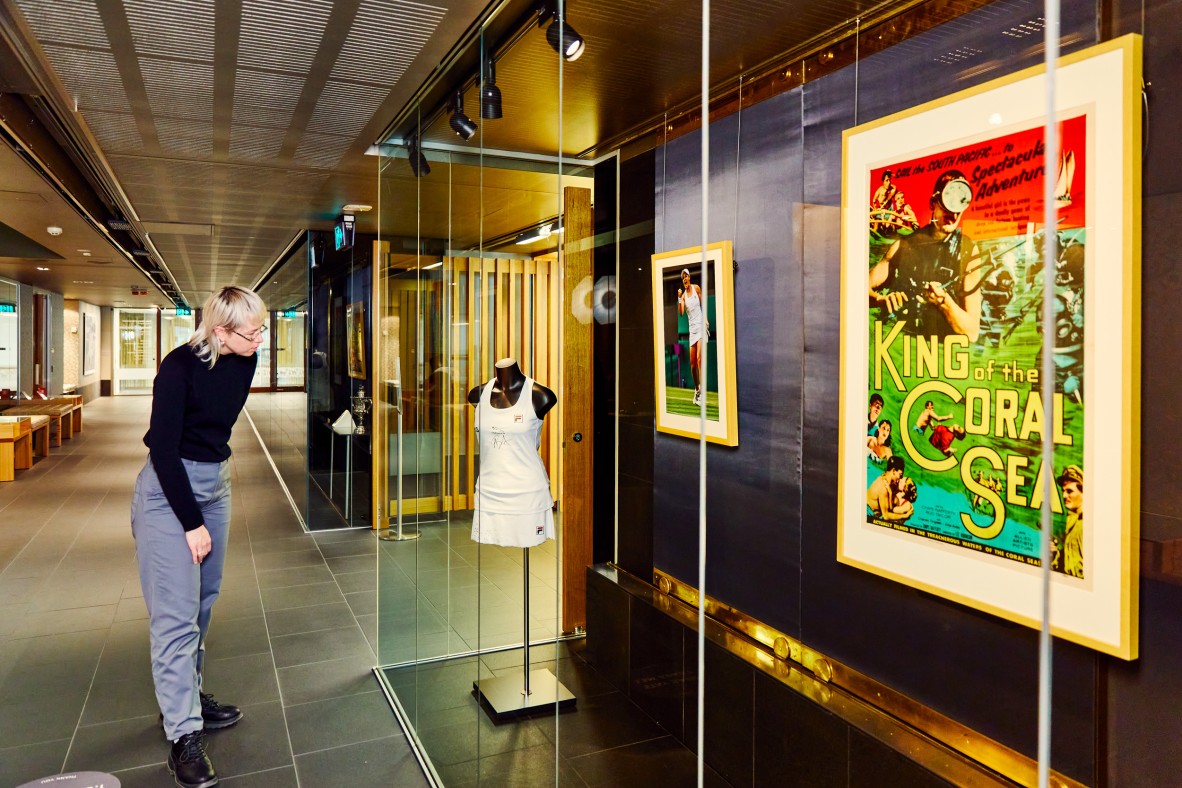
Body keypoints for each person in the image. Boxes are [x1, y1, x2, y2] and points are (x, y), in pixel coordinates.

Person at [132, 286, 266, 788]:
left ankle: (189, 696)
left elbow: (217, 432)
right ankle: (183, 736)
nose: (258, 340)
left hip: (216, 483)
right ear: (219, 331)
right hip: (169, 492)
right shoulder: (178, 368)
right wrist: (192, 524)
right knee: (174, 615)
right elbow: (164, 451)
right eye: (249, 332)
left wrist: (209, 506)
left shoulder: (245, 360)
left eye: (261, 330)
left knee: (203, 602)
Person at [868, 169, 984, 341]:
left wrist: (945, 303)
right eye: (947, 202)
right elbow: (859, 288)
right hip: (903, 345)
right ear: (933, 203)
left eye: (960, 202)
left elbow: (972, 332)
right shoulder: (903, 245)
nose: (953, 213)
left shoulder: (968, 251)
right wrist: (880, 299)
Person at [467, 358, 557, 548]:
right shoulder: (478, 394)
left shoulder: (540, 395)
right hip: (490, 490)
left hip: (527, 493)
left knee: (527, 542)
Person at [677, 268, 709, 406]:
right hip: (692, 331)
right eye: (683, 277)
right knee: (692, 364)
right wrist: (679, 298)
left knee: (700, 359)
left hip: (701, 326)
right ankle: (696, 391)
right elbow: (681, 313)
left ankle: (702, 392)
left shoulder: (697, 288)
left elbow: (704, 304)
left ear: (689, 277)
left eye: (686, 276)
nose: (685, 278)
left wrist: (706, 318)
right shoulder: (683, 297)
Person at [1057, 464, 1084, 578]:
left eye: (1069, 491)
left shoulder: (1086, 525)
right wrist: (1055, 554)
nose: (1064, 495)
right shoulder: (1072, 521)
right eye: (1063, 491)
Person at [867, 455, 909, 521]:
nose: (900, 478)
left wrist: (890, 493)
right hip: (868, 514)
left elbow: (889, 508)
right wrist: (905, 516)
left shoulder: (884, 478)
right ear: (894, 471)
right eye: (900, 475)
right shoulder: (884, 487)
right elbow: (886, 516)